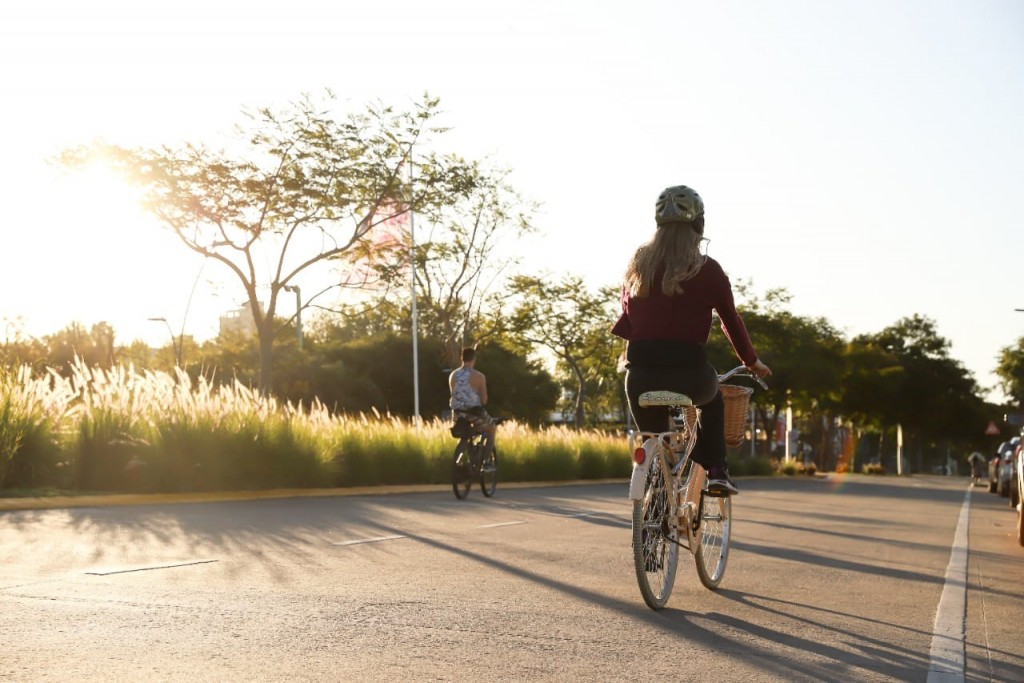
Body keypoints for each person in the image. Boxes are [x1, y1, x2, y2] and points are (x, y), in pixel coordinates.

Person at [611, 184, 771, 494]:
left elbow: (627, 312)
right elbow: (730, 321)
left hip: (640, 376)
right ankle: (716, 471)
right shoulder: (708, 269)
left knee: (652, 439)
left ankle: (652, 503)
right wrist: (750, 361)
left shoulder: (637, 266)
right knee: (712, 403)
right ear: (699, 225)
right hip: (691, 376)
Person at [448, 347, 496, 453]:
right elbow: (484, 400)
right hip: (473, 412)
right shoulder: (479, 376)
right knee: (491, 428)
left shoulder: (453, 375)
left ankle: (460, 458)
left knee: (469, 428)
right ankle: (487, 462)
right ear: (474, 359)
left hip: (456, 413)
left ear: (462, 358)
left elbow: (455, 394)